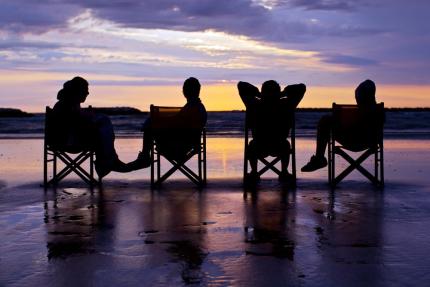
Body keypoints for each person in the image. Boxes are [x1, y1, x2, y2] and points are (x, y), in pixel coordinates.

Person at [52, 76, 136, 178]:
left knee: (102, 126)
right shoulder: (67, 105)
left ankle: (107, 162)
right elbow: (77, 126)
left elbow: (77, 124)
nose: (88, 93)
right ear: (78, 91)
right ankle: (107, 162)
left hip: (62, 140)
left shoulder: (67, 103)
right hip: (68, 142)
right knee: (103, 126)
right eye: (86, 90)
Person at [301, 79, 378, 172]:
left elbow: (351, 128)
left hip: (351, 141)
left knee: (325, 121)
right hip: (369, 143)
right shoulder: (378, 111)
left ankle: (319, 158)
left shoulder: (357, 113)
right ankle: (319, 159)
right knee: (327, 121)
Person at [129, 77, 207, 168]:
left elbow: (177, 124)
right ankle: (145, 156)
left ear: (185, 92)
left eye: (184, 89)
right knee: (152, 124)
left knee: (150, 127)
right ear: (198, 91)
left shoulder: (191, 109)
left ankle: (145, 157)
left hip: (177, 148)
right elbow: (179, 124)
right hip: (189, 145)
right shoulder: (200, 108)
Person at [238, 80, 306, 181]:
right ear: (278, 92)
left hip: (259, 146)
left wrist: (258, 94)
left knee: (252, 145)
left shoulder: (253, 104)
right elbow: (302, 87)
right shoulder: (287, 104)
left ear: (263, 91)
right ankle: (284, 171)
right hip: (279, 146)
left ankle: (254, 172)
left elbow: (241, 85)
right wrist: (283, 93)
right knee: (286, 145)